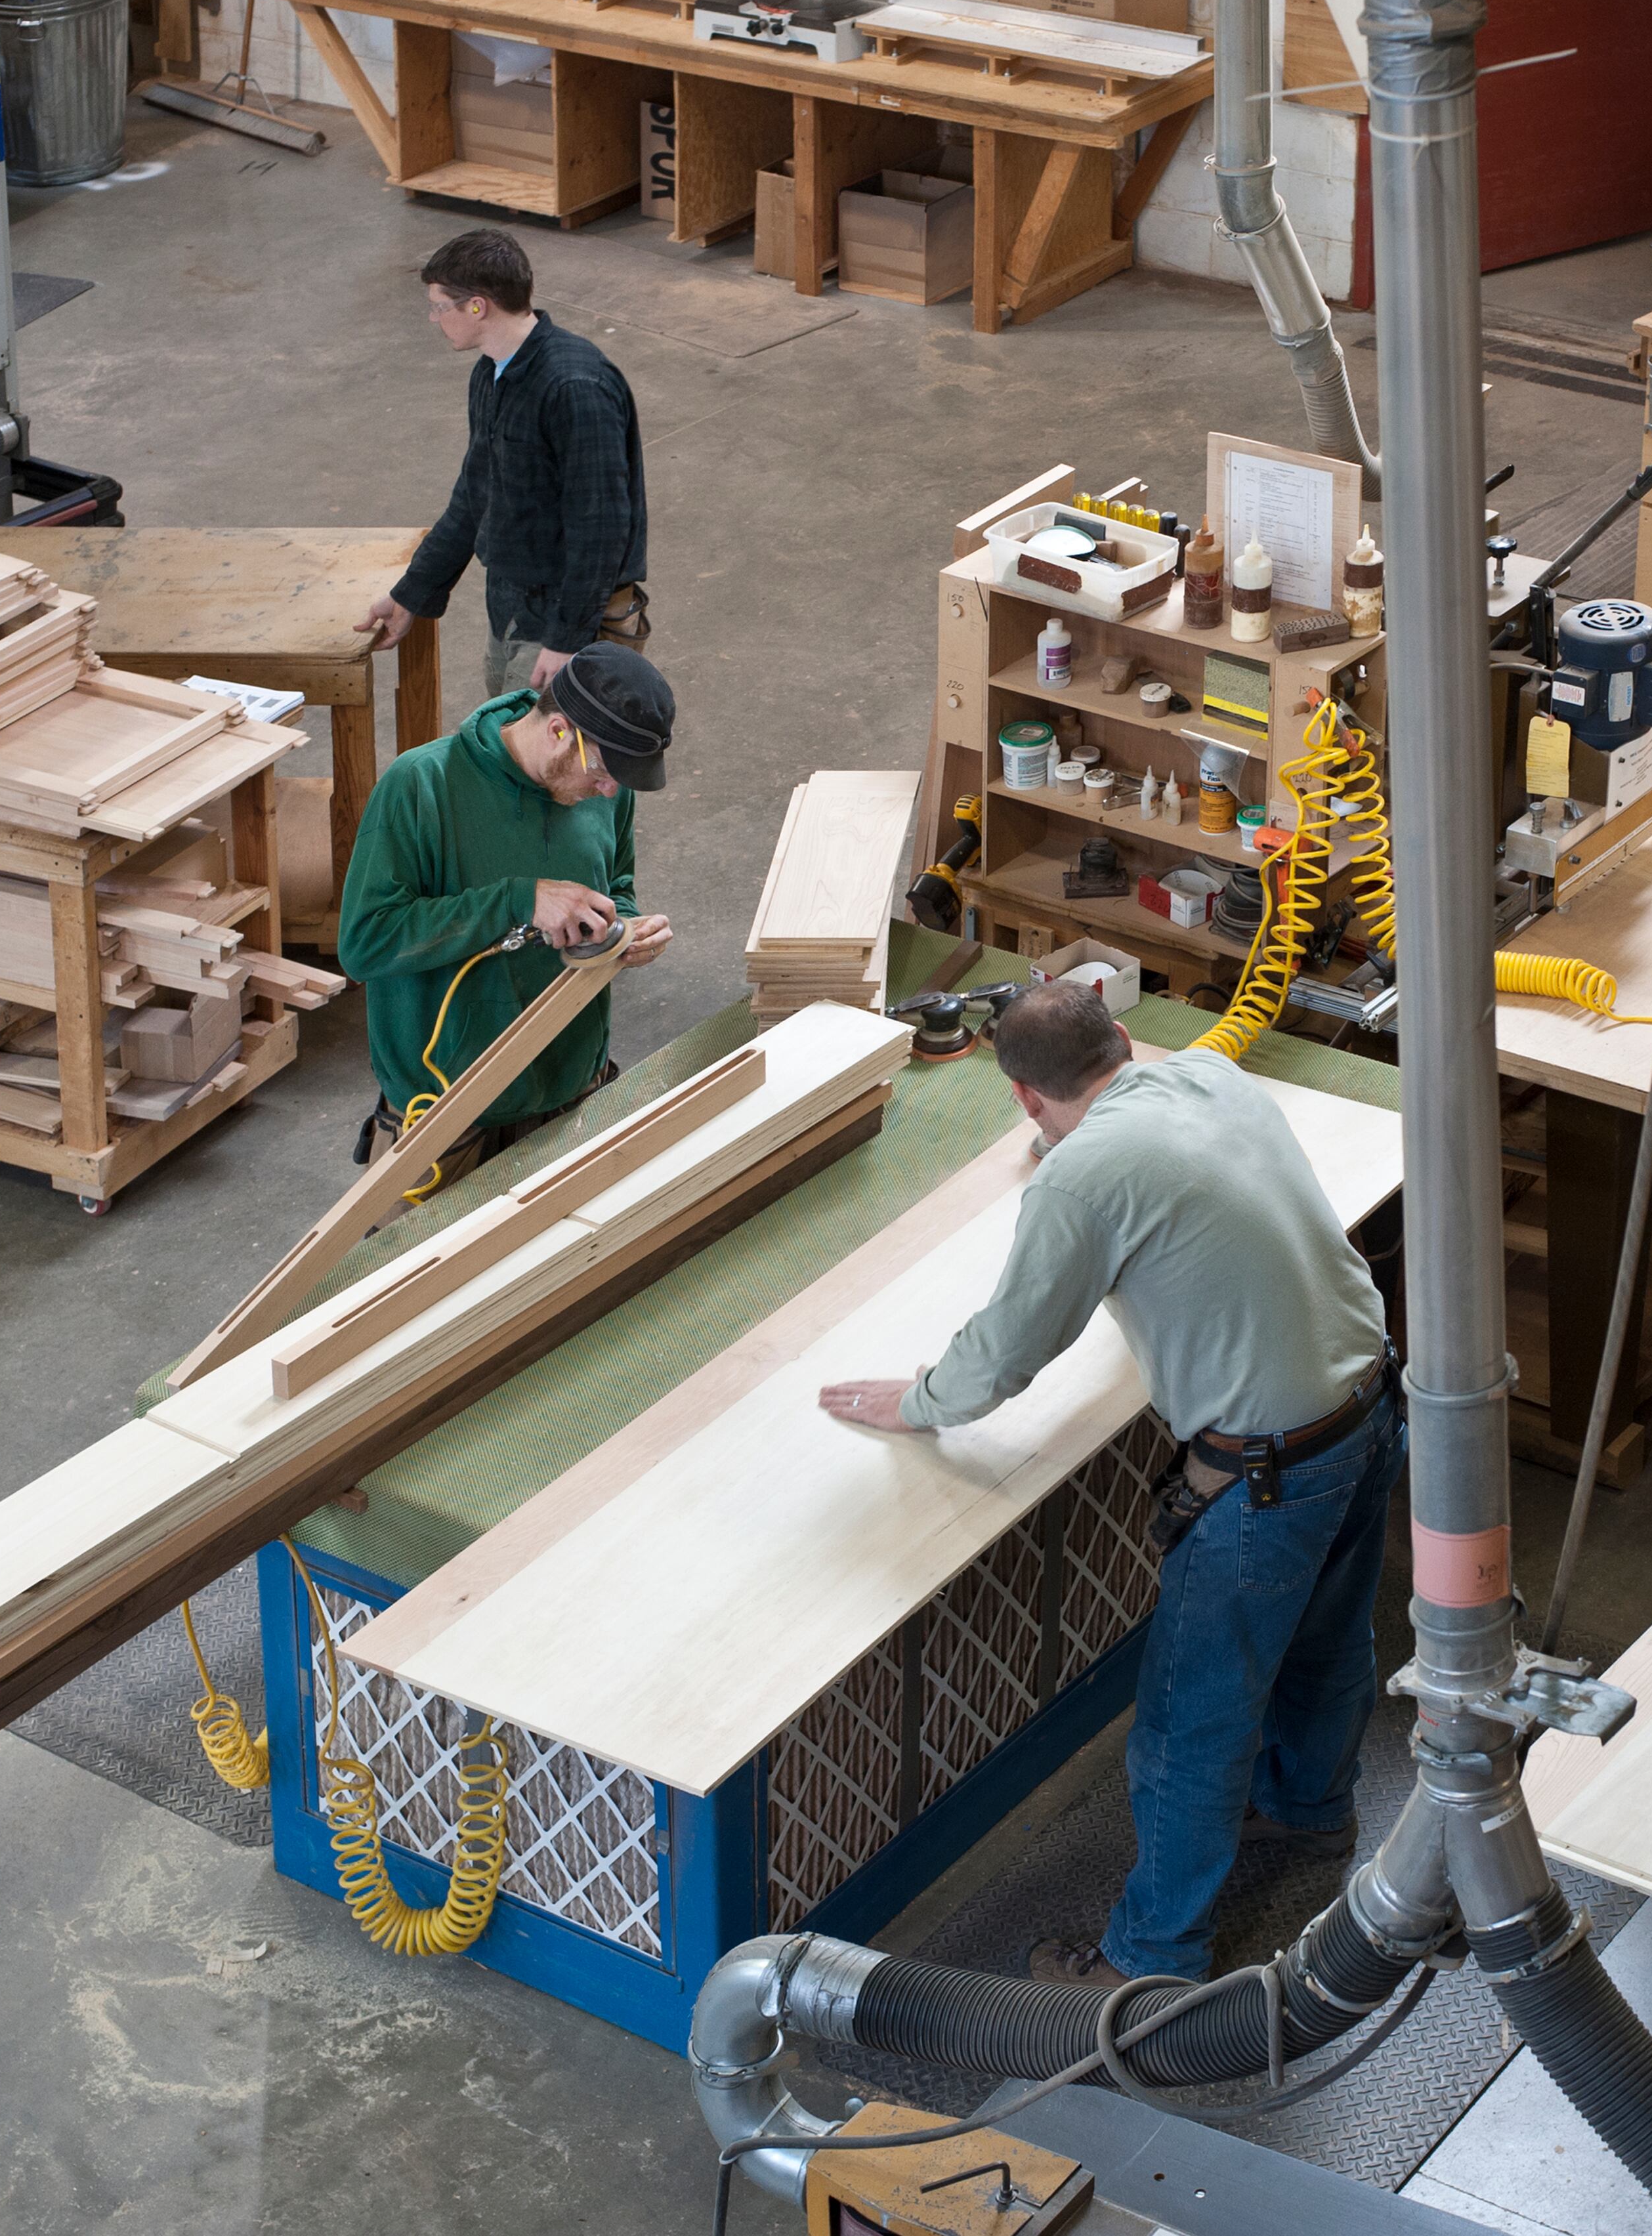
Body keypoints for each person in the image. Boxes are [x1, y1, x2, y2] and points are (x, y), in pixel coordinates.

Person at [820, 985, 1401, 1988]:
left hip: (1269, 1472)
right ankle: (1311, 1810)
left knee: (1188, 1728)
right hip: (1367, 1407)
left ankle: (1149, 1963)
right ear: (1123, 1041)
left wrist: (914, 1402)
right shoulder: (1209, 1075)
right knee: (1328, 1643)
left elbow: (1010, 1349)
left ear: (1022, 1097)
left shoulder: (1079, 1178)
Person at [335, 643, 677, 1195]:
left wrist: (629, 931)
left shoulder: (606, 793)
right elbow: (365, 942)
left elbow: (617, 885)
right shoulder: (421, 786)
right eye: (606, 771)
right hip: (448, 1116)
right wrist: (519, 901)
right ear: (561, 731)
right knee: (422, 1279)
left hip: (572, 1095)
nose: (610, 790)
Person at [362, 228, 651, 704]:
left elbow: (601, 526)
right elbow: (476, 496)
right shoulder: (491, 372)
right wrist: (412, 592)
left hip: (566, 618)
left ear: (477, 306)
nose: (435, 320)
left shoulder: (575, 387)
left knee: (547, 767)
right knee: (505, 748)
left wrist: (568, 639)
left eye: (439, 307)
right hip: (512, 606)